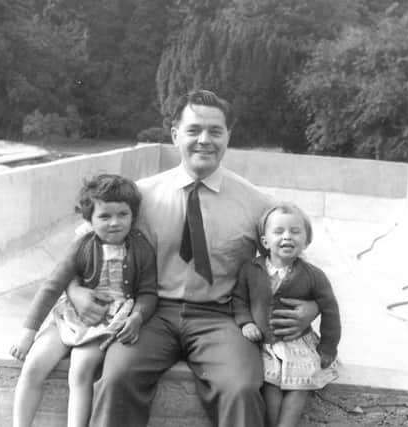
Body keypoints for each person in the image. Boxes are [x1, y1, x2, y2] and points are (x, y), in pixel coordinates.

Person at [67, 89, 320, 427]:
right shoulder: (140, 196)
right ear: (175, 135)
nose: (205, 140)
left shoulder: (257, 203)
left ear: (229, 135)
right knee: (116, 379)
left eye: (215, 131)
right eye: (193, 130)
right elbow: (80, 247)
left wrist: (311, 308)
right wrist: (75, 291)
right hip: (151, 313)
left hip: (223, 316)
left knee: (242, 388)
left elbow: (296, 266)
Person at [9, 174, 158, 427]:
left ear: (133, 216)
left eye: (123, 214)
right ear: (89, 219)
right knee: (34, 364)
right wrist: (28, 332)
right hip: (70, 315)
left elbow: (148, 293)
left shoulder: (141, 249)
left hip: (107, 322)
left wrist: (137, 316)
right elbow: (52, 286)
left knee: (80, 371)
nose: (115, 223)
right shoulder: (82, 246)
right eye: (104, 216)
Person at [233, 203, 341, 427]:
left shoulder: (314, 275)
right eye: (278, 231)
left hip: (298, 343)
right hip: (266, 344)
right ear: (265, 242)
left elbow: (330, 310)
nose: (287, 237)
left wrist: (328, 347)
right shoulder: (250, 269)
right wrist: (246, 323)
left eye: (295, 231)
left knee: (299, 387)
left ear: (306, 240)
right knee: (270, 386)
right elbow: (239, 300)